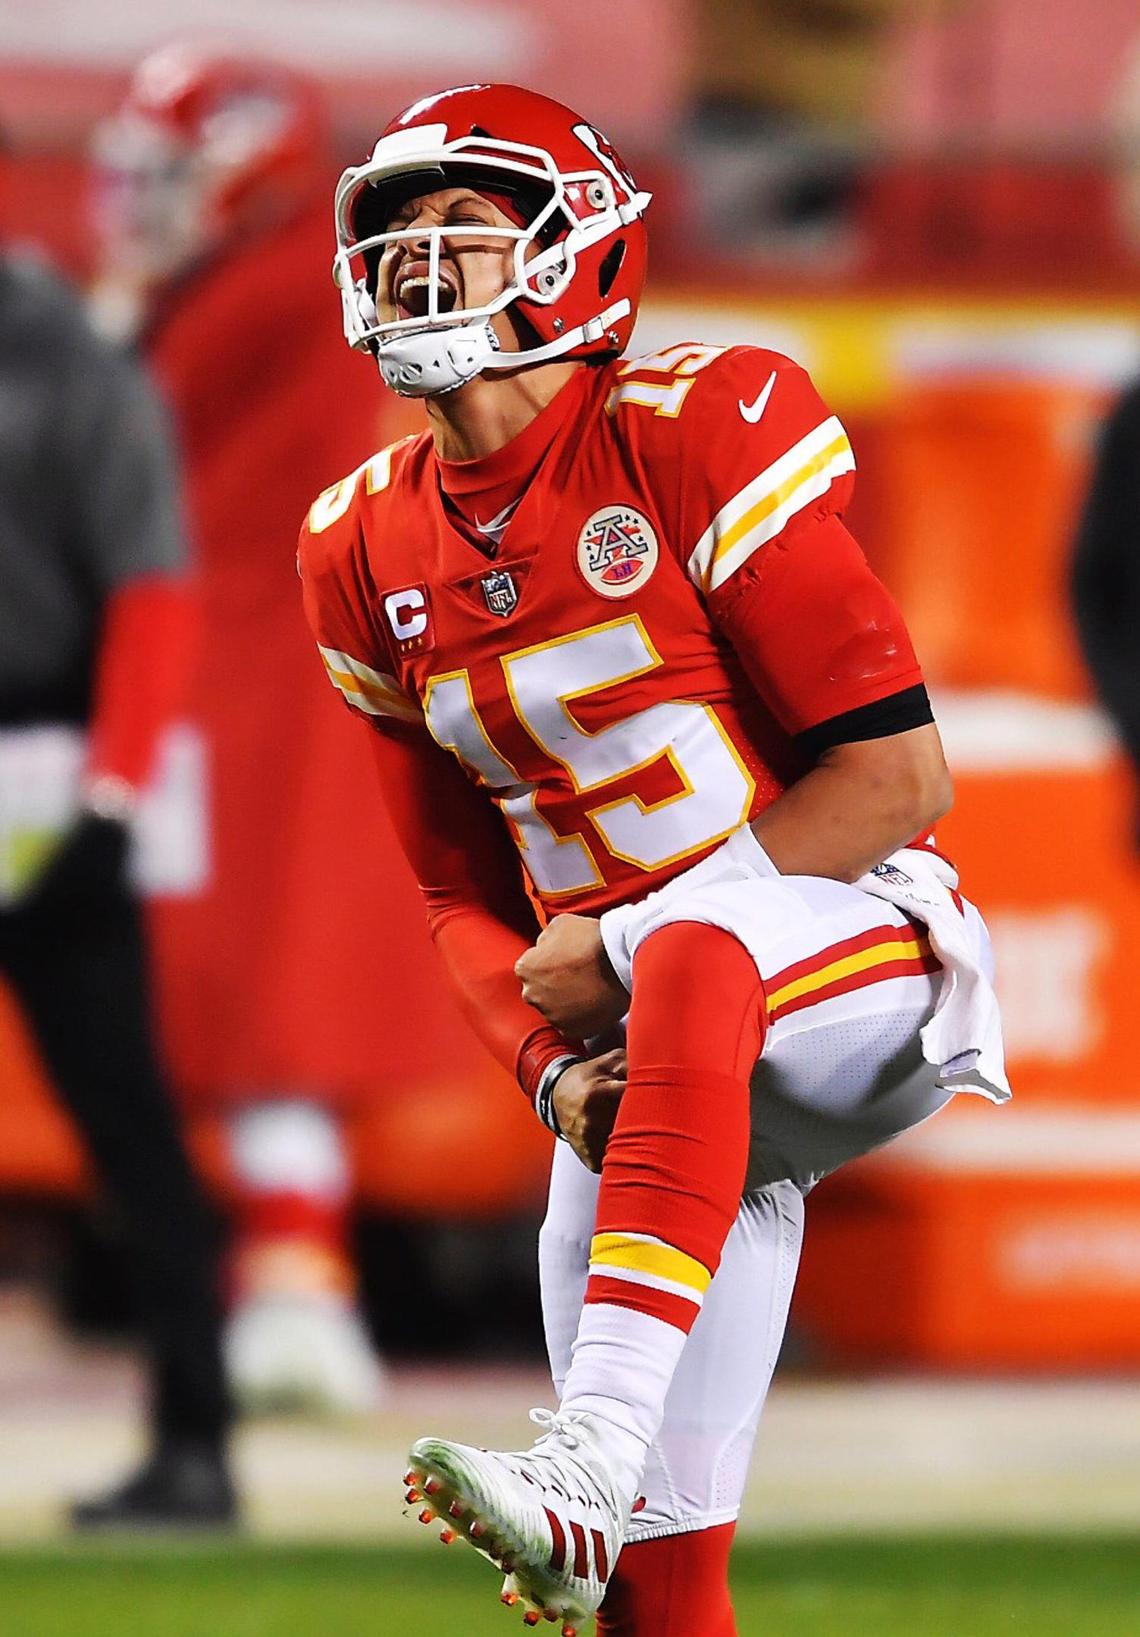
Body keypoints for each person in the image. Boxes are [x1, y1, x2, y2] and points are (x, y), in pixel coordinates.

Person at [298, 85, 1008, 1634]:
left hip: (848, 956)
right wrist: (551, 1072)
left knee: (695, 943)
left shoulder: (691, 427)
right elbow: (455, 894)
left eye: (464, 225)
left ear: (578, 249)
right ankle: (605, 1495)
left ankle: (591, 1452)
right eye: (397, 233)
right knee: (653, 1595)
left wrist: (621, 949)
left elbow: (898, 777)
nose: (419, 259)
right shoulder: (357, 545)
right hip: (653, 1060)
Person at [90, 44, 393, 1414]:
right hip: (224, 674)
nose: (139, 206)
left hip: (223, 682)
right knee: (204, 991)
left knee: (226, 987)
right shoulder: (263, 287)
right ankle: (284, 1275)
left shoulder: (278, 295)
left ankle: (289, 1281)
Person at [0, 203, 236, 1522]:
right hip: (51, 768)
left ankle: (195, 1442)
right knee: (128, 1124)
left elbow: (154, 591)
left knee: (127, 1124)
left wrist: (107, 799)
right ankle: (194, 1444)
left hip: (42, 774)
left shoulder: (69, 366)